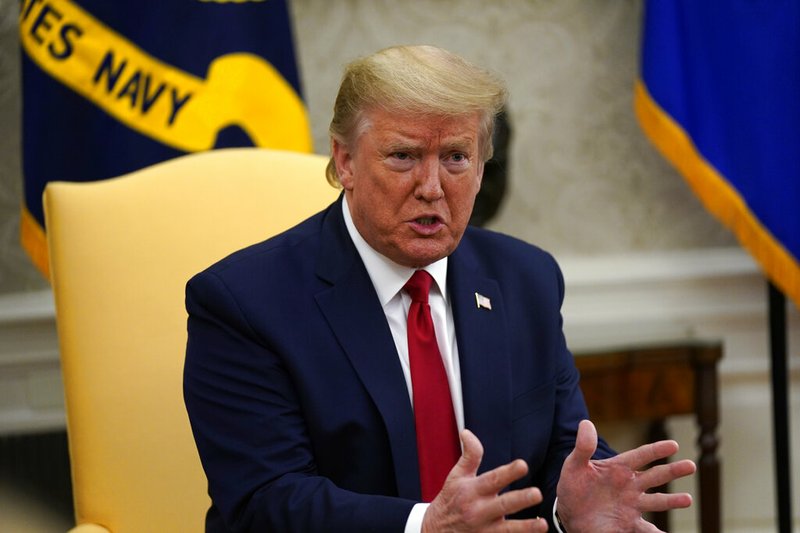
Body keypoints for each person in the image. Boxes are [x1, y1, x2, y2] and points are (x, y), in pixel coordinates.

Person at [183, 44, 696, 532]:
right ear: (344, 162)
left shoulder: (526, 281)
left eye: (455, 157)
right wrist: (423, 526)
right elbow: (265, 502)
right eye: (403, 157)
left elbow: (563, 451)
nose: (431, 186)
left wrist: (569, 509)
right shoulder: (245, 304)